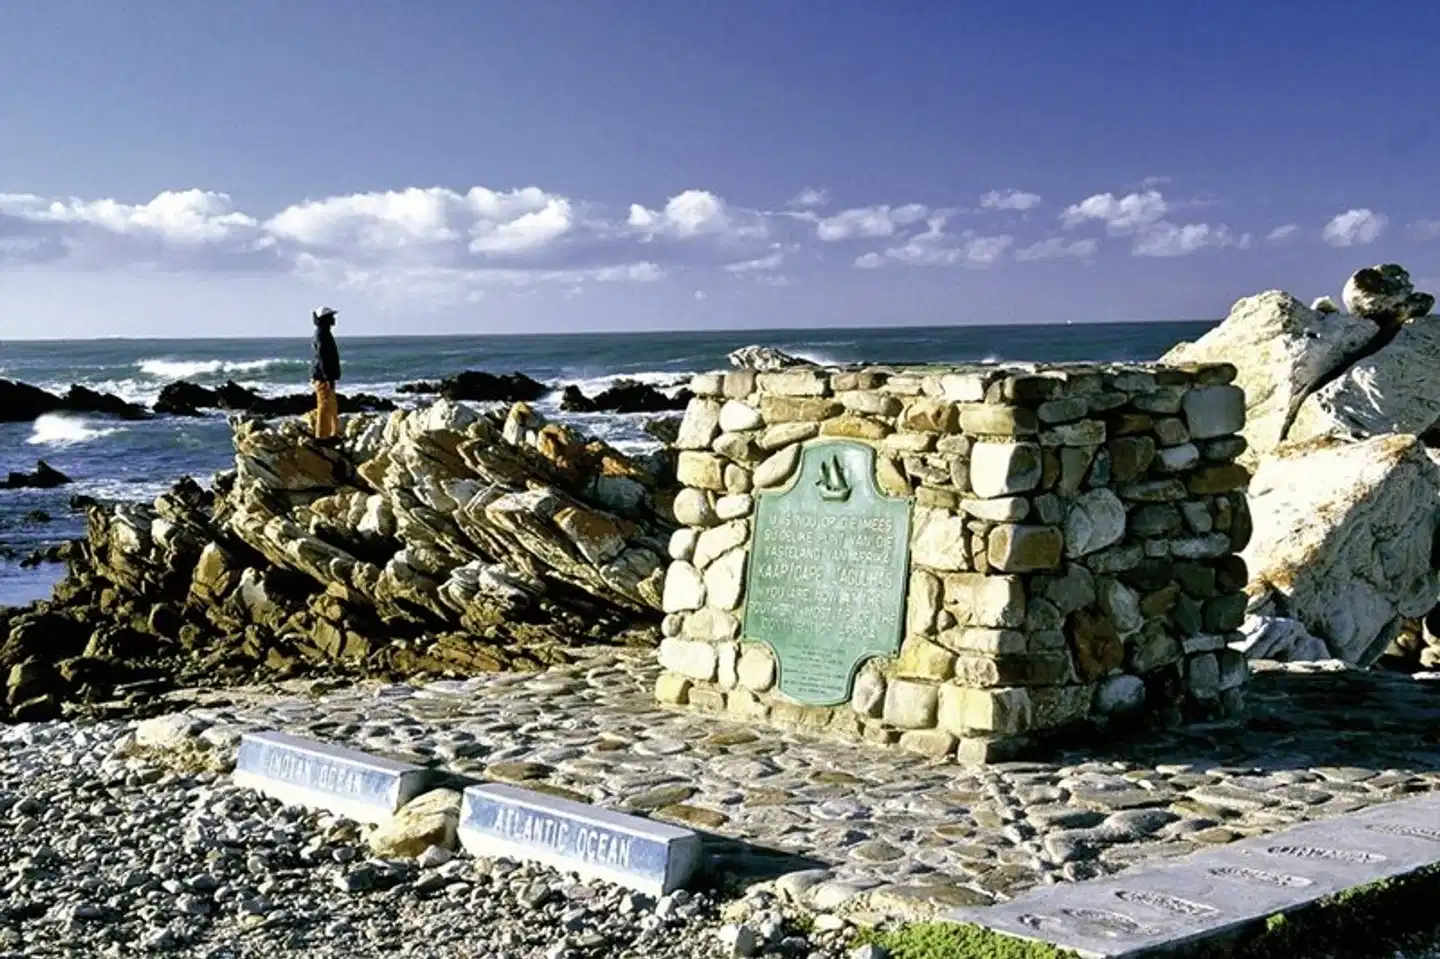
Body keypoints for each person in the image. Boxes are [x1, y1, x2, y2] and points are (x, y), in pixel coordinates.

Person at [311, 307, 342, 444]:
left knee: (332, 405)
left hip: (327, 376)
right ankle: (321, 437)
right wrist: (327, 377)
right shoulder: (322, 334)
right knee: (324, 406)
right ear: (325, 319)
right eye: (330, 316)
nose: (333, 318)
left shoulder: (324, 332)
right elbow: (323, 357)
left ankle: (333, 434)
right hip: (323, 377)